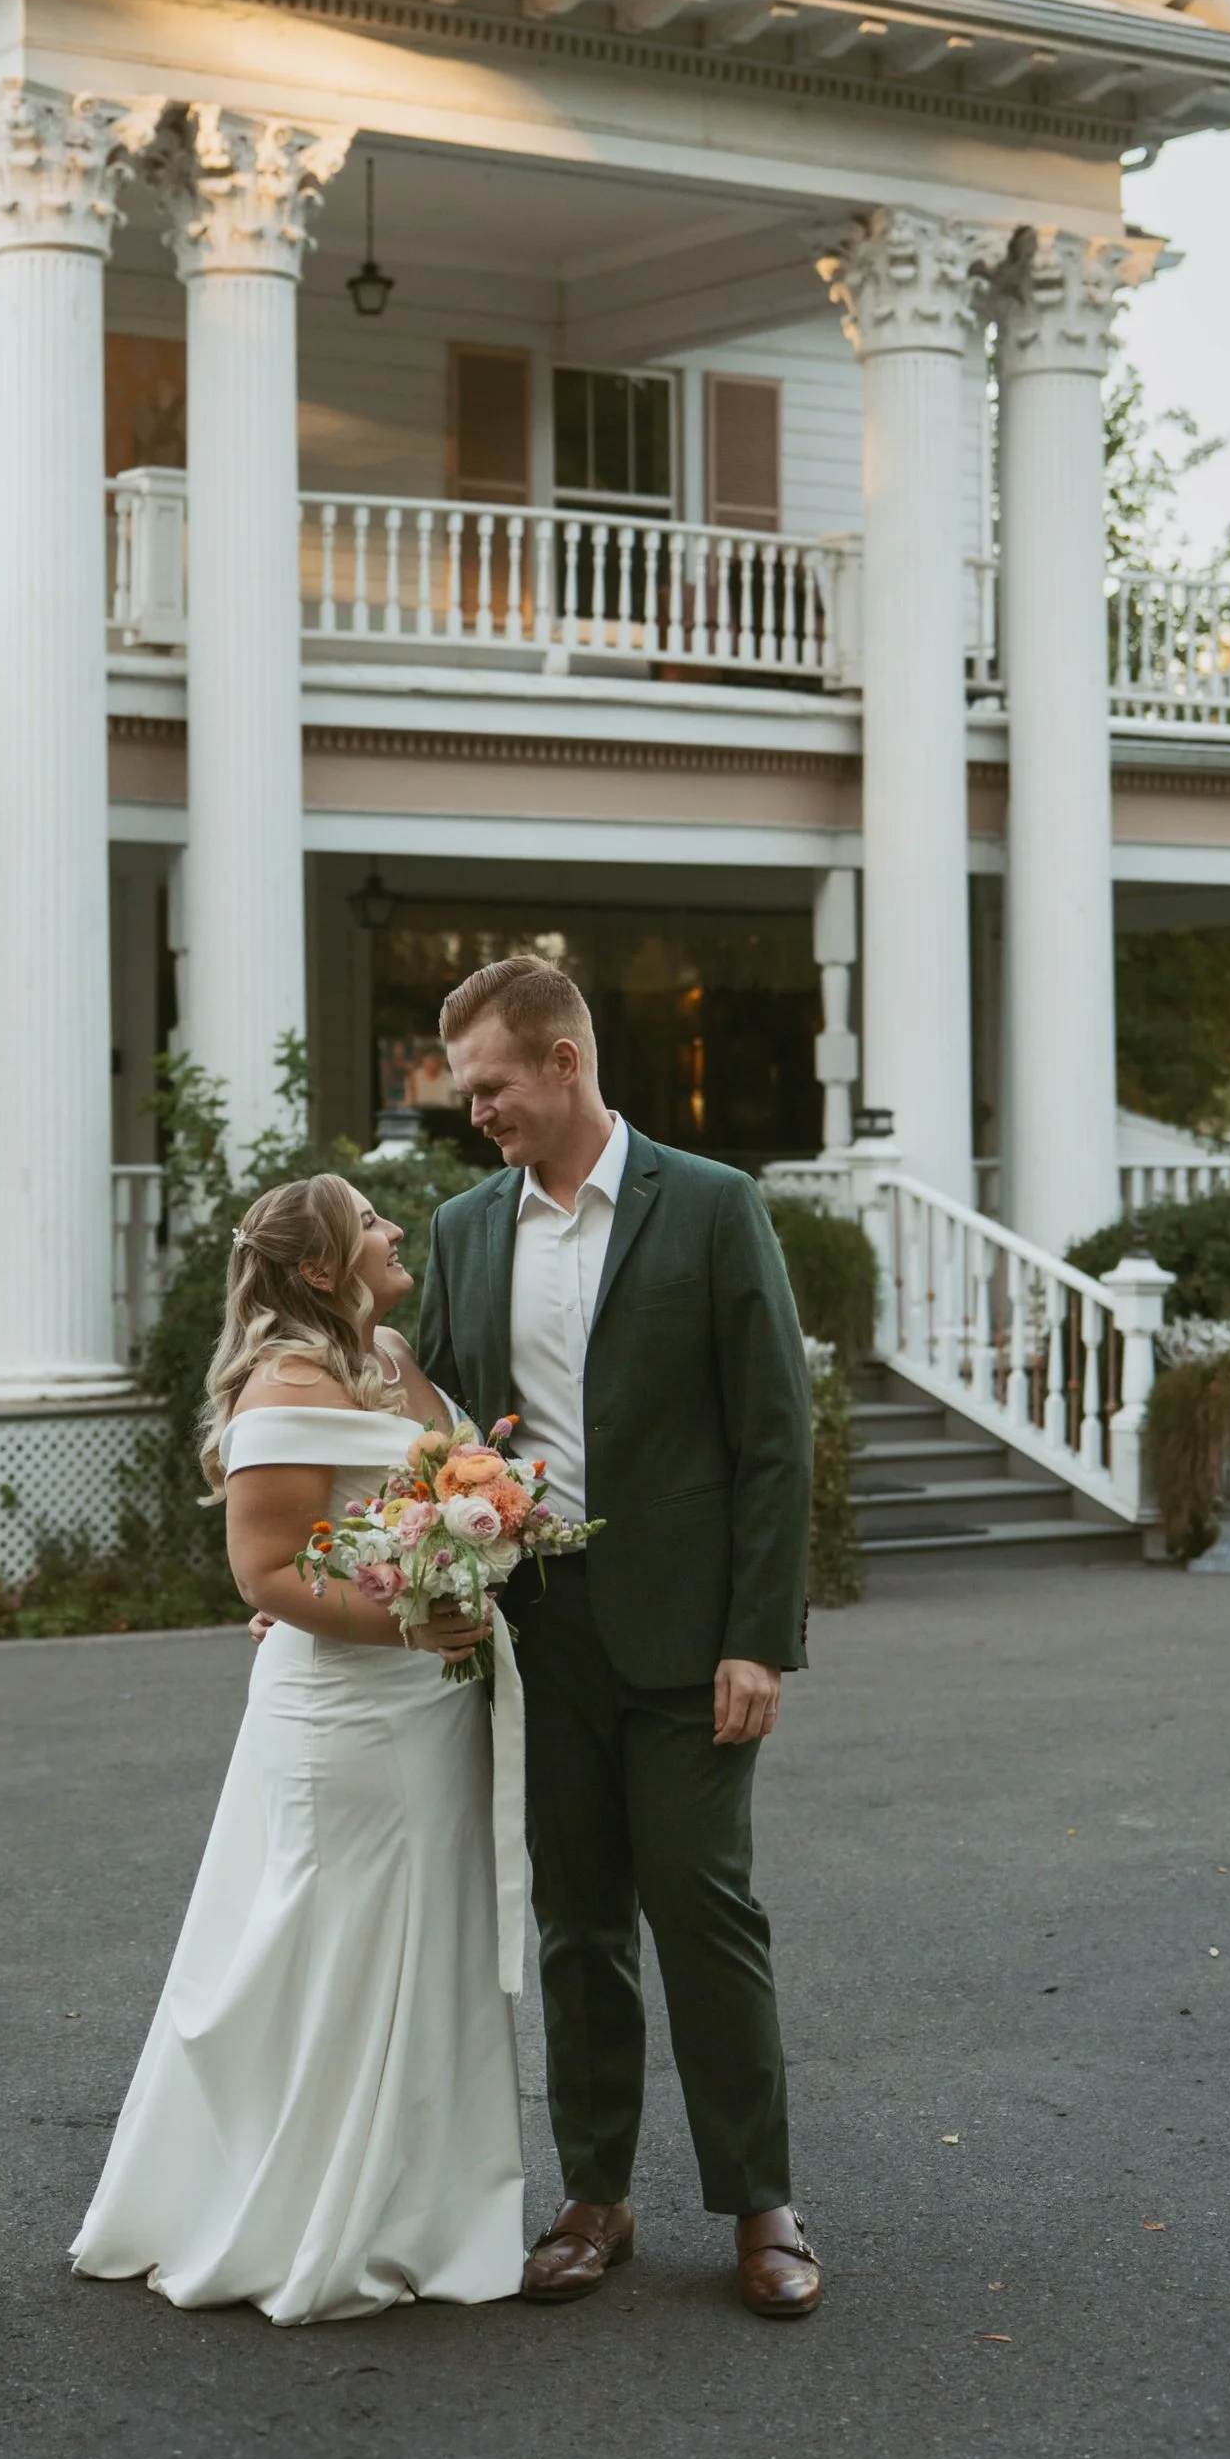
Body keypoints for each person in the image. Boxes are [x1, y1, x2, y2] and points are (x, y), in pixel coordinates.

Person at [414, 956, 821, 2319]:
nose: (476, 1112)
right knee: (576, 1923)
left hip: (689, 1631)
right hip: (532, 1630)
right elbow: (433, 1432)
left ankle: (761, 2204)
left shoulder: (710, 1206)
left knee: (706, 1910)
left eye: (492, 1087)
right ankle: (596, 2196)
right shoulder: (467, 1228)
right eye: (468, 1092)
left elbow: (774, 1436)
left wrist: (758, 1635)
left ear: (565, 1062)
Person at [70, 1174, 525, 2324]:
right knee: (327, 1949)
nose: (388, 1228)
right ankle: (297, 2220)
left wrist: (477, 1548)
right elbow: (266, 1572)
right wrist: (411, 1619)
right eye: (366, 1222)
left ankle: (409, 2208)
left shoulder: (392, 1355)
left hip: (430, 1706)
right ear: (320, 1268)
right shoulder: (286, 1380)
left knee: (418, 1951)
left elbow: (420, 1492)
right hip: (348, 1712)